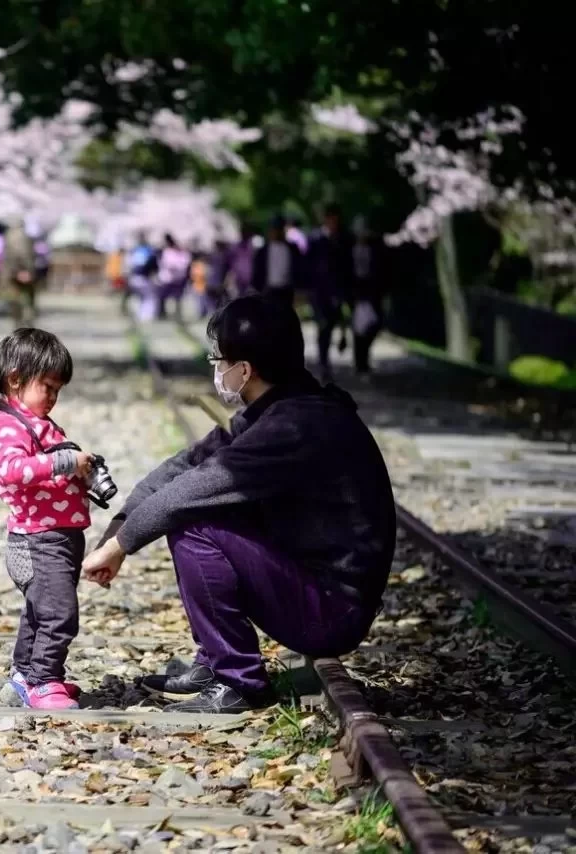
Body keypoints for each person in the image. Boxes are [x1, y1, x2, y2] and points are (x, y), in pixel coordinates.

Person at [81, 295, 396, 713]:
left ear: (244, 370)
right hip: (317, 588)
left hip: (332, 611)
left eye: (219, 360)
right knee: (205, 504)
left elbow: (190, 492)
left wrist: (121, 547)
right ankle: (213, 661)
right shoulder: (279, 408)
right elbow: (181, 467)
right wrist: (115, 531)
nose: (215, 370)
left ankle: (239, 681)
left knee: (194, 523)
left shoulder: (295, 426)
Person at [0, 328, 95, 710]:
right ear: (15, 379)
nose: (53, 397)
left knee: (39, 610)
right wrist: (65, 461)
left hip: (57, 537)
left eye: (58, 390)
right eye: (47, 387)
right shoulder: (7, 425)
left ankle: (24, 673)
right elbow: (13, 470)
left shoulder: (37, 423)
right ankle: (45, 681)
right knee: (59, 614)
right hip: (37, 540)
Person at [305, 204, 355, 382]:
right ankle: (323, 362)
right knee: (324, 326)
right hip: (320, 292)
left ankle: (337, 347)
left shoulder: (344, 239)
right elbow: (309, 265)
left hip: (338, 290)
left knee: (336, 323)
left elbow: (348, 266)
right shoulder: (315, 239)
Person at [349, 215, 388, 378]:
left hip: (372, 291)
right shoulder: (349, 249)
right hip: (356, 291)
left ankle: (364, 358)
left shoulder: (376, 249)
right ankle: (360, 362)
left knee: (373, 324)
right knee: (358, 328)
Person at [250, 214, 300, 310]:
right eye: (273, 229)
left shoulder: (292, 248)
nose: (276, 232)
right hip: (268, 291)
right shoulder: (262, 251)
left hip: (287, 290)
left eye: (278, 229)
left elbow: (299, 270)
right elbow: (257, 273)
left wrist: (299, 290)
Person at [0, 217, 39, 327]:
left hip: (10, 272)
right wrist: (25, 270)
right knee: (28, 300)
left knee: (14, 300)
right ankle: (28, 325)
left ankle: (18, 324)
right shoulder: (23, 236)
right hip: (23, 271)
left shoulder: (8, 235)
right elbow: (23, 255)